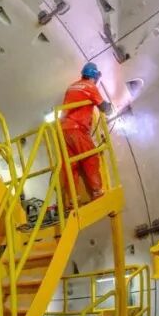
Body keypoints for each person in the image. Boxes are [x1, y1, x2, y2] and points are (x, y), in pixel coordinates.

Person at [59, 62, 112, 208]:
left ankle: (73, 199)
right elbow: (104, 107)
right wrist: (110, 109)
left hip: (63, 130)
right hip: (77, 130)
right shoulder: (90, 87)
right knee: (90, 157)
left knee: (70, 165)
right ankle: (97, 192)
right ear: (94, 76)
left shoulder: (72, 86)